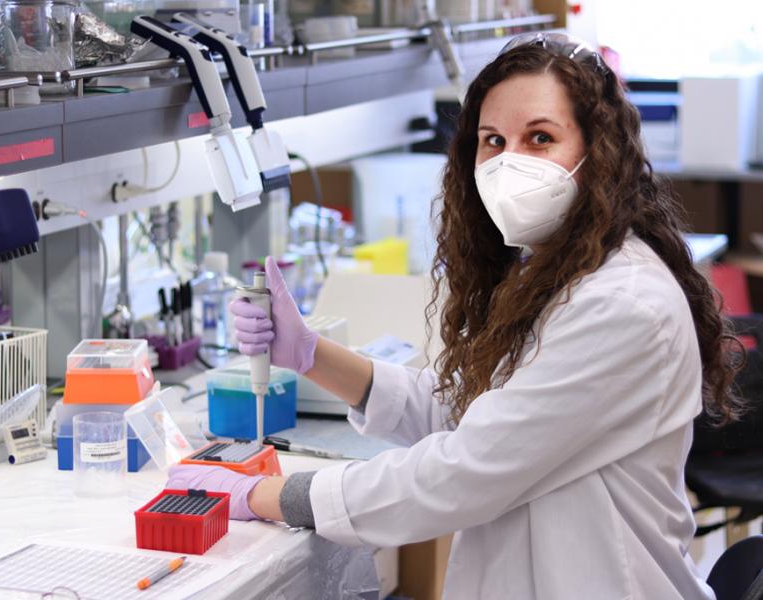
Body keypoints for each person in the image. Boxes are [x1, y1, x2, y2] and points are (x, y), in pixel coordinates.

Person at [167, 33, 743, 599]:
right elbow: (474, 416)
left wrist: (268, 494)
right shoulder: (552, 271)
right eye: (493, 141)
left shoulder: (620, 305)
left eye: (540, 138)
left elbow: (467, 469)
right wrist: (313, 355)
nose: (509, 162)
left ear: (599, 154)